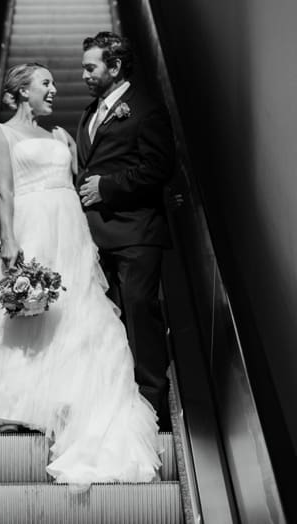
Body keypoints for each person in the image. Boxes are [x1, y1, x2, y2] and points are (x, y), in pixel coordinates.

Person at [0, 62, 161, 487]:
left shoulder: (59, 136)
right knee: (29, 315)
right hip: (33, 227)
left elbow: (76, 184)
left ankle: (71, 397)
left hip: (71, 231)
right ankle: (17, 404)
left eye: (53, 84)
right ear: (20, 91)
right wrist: (10, 239)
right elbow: (5, 191)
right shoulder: (0, 135)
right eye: (45, 84)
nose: (54, 90)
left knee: (77, 311)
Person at [76, 32, 175, 430]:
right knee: (104, 323)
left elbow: (160, 168)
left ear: (114, 68)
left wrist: (107, 187)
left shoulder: (147, 109)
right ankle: (111, 405)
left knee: (139, 314)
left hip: (135, 234)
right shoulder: (90, 111)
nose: (83, 74)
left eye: (90, 67)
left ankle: (153, 409)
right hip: (94, 238)